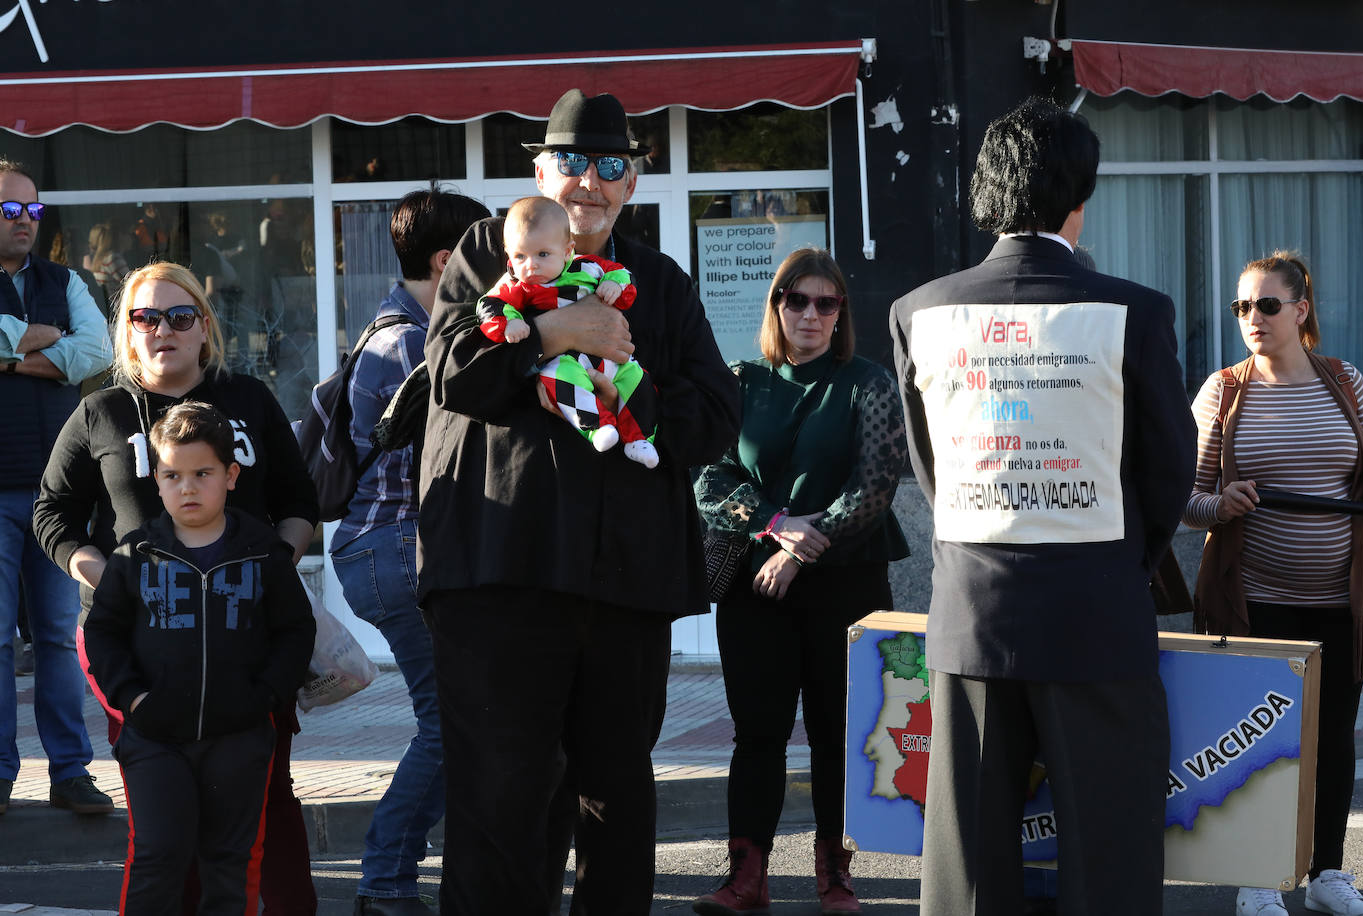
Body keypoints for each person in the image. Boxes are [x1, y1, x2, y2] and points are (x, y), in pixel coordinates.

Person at [420, 87, 740, 915]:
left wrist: (627, 386)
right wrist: (559, 334)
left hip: (623, 586)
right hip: (501, 578)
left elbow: (714, 418)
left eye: (609, 166)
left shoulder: (661, 282)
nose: (588, 183)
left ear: (632, 181)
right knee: (501, 800)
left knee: (617, 801)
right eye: (571, 162)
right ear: (539, 169)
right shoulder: (486, 252)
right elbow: (454, 374)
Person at [888, 96, 1195, 916]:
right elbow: (1169, 471)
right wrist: (1118, 559)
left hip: (971, 611)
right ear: (1078, 197)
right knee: (1108, 858)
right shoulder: (1135, 311)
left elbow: (931, 470)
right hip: (1097, 611)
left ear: (986, 195)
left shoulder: (918, 312)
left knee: (970, 870)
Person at [32, 261, 321, 914]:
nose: (164, 329)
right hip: (138, 648)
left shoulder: (249, 399)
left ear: (204, 327)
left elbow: (300, 499)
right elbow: (51, 512)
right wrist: (105, 578)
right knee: (165, 818)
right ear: (128, 334)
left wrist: (267, 571)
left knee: (263, 802)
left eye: (180, 315)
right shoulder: (100, 412)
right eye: (146, 317)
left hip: (247, 640)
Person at [692, 247, 909, 915]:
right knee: (757, 731)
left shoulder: (867, 381)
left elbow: (876, 484)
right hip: (754, 587)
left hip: (845, 581)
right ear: (777, 306)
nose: (811, 314)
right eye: (797, 300)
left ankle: (835, 878)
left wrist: (803, 550)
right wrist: (776, 523)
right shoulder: (738, 378)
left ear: (841, 311)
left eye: (826, 302)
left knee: (837, 732)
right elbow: (707, 478)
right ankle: (745, 879)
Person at [1188, 252, 1363, 916]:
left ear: (1301, 310)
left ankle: (1327, 875)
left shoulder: (1345, 383)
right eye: (1242, 307)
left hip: (1340, 600)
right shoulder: (1224, 391)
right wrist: (1223, 504)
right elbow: (1186, 498)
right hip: (1253, 600)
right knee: (1261, 746)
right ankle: (1258, 879)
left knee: (1331, 741)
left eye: (1267, 305)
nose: (1253, 319)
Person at [84, 401, 315, 916]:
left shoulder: (263, 552)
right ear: (157, 480)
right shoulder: (134, 555)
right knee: (159, 856)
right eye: (173, 475)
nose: (187, 487)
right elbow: (103, 634)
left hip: (241, 737)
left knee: (229, 864)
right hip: (155, 738)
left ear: (231, 476)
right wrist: (133, 700)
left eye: (202, 473)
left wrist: (266, 699)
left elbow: (295, 632)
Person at [332, 186, 490, 916]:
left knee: (460, 722)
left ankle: (397, 874)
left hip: (385, 547)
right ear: (446, 260)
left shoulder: (401, 329)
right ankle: (385, 879)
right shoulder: (409, 343)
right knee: (453, 724)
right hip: (396, 545)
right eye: (485, 254)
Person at [0, 158, 114, 818]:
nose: (24, 223)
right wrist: (43, 342)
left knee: (54, 637)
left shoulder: (66, 280)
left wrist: (10, 350)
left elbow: (96, 352)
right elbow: (70, 352)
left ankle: (71, 772)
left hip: (54, 495)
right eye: (11, 211)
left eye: (32, 212)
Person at [476, 195, 658, 467]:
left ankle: (640, 439)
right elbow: (490, 305)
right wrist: (509, 323)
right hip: (566, 361)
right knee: (556, 379)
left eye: (543, 254)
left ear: (567, 250)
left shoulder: (588, 266)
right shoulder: (518, 284)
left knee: (637, 378)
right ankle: (598, 427)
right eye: (519, 256)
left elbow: (622, 275)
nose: (531, 265)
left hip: (611, 360)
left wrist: (615, 286)